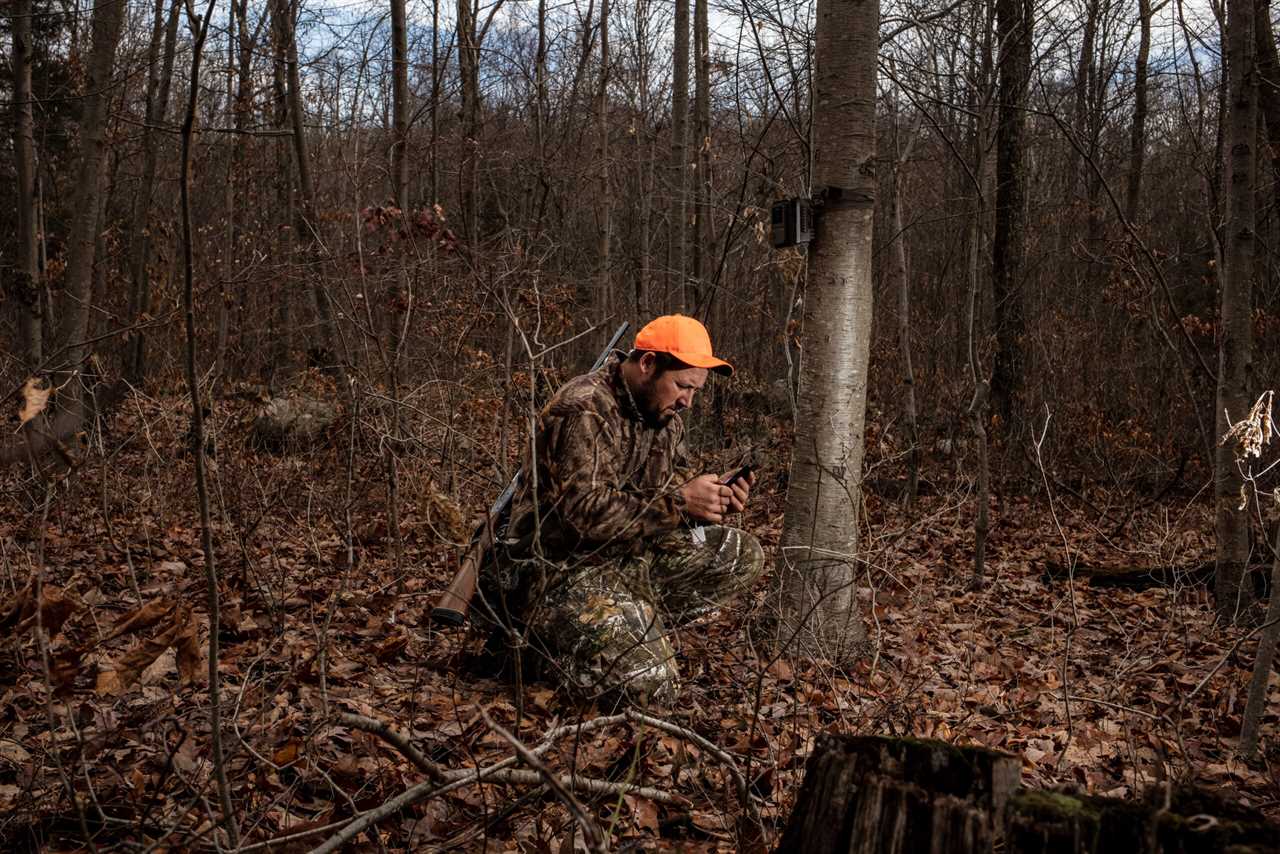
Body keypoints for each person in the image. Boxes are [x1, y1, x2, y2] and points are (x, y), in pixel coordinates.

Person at [479, 315, 765, 706]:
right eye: (682, 386)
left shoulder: (664, 417)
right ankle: (538, 645)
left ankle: (621, 626)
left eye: (695, 391)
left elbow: (664, 494)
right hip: (558, 568)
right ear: (647, 364)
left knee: (740, 554)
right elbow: (584, 515)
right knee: (655, 683)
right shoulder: (584, 409)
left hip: (627, 557)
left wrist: (710, 500)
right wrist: (681, 503)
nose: (687, 402)